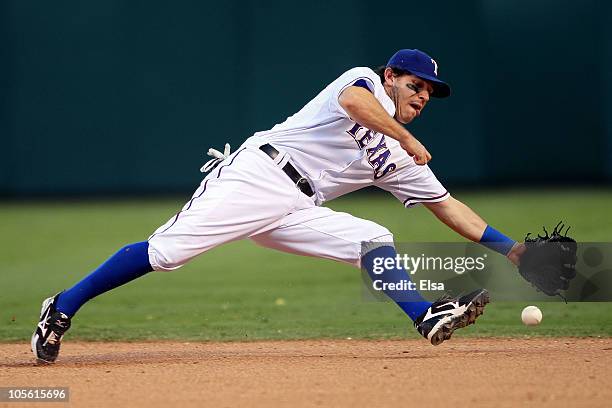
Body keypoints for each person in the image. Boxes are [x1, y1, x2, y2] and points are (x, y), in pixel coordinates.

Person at [32, 49, 525, 363]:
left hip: (298, 206)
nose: (422, 96)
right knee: (167, 254)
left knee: (372, 238)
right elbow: (356, 106)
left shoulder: (403, 158)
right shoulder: (365, 83)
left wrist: (510, 250)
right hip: (261, 173)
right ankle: (62, 307)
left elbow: (448, 205)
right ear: (391, 76)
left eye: (429, 93)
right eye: (415, 85)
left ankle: (424, 316)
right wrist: (405, 134)